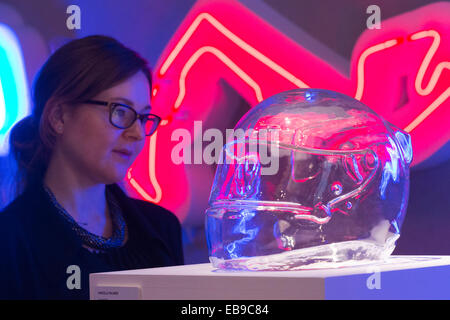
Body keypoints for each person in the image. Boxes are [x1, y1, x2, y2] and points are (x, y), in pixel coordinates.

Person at [0, 35, 184, 299]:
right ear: (58, 117)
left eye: (143, 117)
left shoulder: (161, 228)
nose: (137, 134)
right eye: (120, 111)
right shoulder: (11, 242)